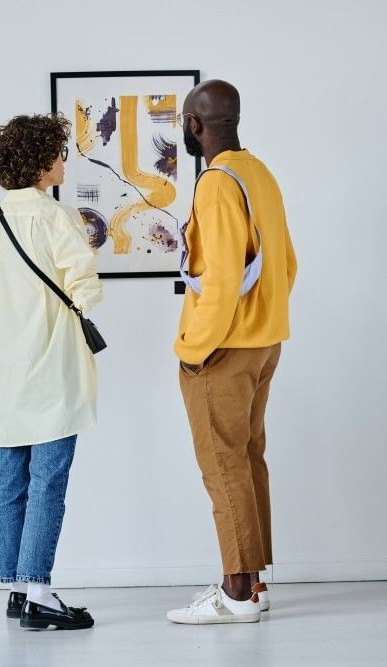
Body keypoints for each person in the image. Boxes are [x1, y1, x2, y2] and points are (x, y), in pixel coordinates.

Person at [166, 80, 297, 624]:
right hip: (265, 342)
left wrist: (196, 348)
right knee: (246, 461)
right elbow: (287, 263)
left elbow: (219, 280)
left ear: (196, 126)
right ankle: (255, 582)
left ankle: (236, 593)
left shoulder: (217, 183)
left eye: (185, 124)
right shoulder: (259, 172)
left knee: (222, 466)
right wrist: (264, 321)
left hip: (223, 349)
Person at [0, 114, 102, 631]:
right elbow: (84, 285)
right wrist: (81, 303)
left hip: (5, 366)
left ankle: (18, 588)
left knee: (10, 476)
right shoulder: (55, 217)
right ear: (43, 162)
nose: (65, 162)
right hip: (52, 364)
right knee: (48, 478)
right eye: (60, 154)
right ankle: (41, 590)